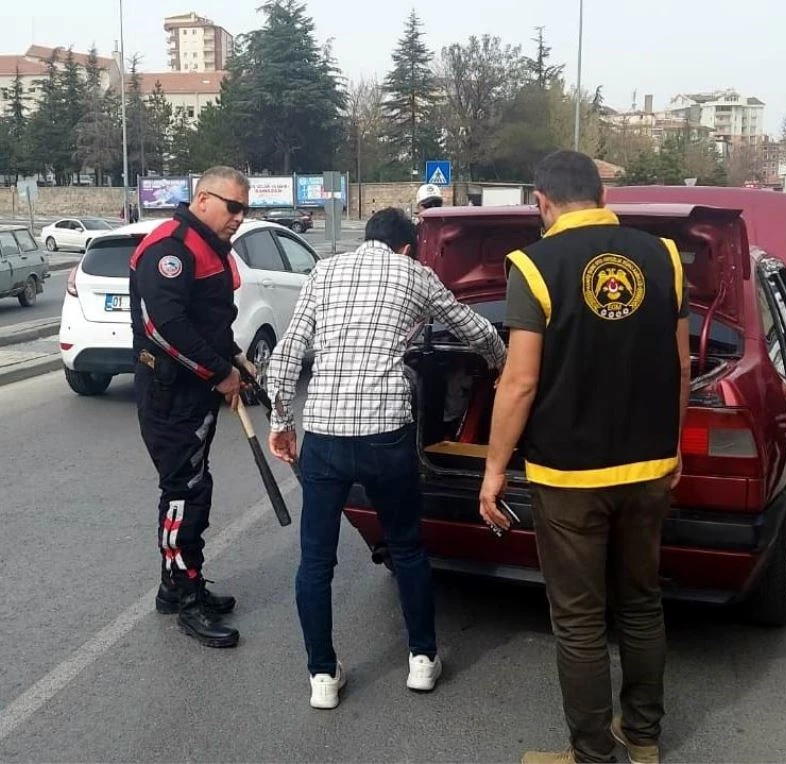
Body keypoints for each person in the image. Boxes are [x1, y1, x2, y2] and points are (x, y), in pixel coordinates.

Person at [479, 150, 691, 764]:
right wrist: (672, 446)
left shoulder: (534, 264)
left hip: (569, 476)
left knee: (578, 620)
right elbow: (680, 364)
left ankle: (593, 755)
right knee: (643, 602)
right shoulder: (664, 256)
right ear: (600, 195)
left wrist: (494, 472)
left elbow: (518, 383)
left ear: (541, 202)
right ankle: (644, 738)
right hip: (650, 467)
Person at [267, 207, 507, 710]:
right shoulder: (416, 274)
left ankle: (321, 676)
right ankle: (422, 659)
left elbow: (287, 354)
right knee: (407, 547)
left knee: (315, 562)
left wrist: (281, 423)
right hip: (385, 436)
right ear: (406, 247)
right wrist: (504, 367)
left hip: (326, 437)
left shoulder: (325, 270)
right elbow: (475, 330)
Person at [130, 166, 257, 649]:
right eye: (233, 207)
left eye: (245, 209)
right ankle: (185, 595)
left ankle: (175, 582)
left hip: (192, 387)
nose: (240, 218)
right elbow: (166, 327)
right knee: (184, 492)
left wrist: (236, 361)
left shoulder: (211, 248)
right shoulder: (172, 247)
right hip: (170, 391)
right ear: (204, 199)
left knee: (195, 485)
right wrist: (218, 373)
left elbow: (211, 322)